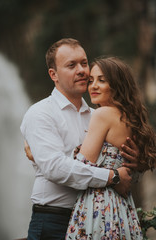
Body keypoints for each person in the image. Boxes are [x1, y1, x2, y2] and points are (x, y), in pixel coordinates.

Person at [20, 38, 144, 240]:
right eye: (71, 65)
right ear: (54, 74)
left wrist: (133, 166)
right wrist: (112, 177)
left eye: (84, 63)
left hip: (101, 218)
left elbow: (127, 176)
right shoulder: (41, 113)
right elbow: (56, 169)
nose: (82, 71)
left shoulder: (100, 116)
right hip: (54, 220)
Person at [65, 57, 156, 239]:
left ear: (117, 85)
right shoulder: (131, 119)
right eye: (91, 81)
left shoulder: (102, 114)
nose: (93, 86)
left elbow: (80, 166)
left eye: (102, 80)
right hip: (122, 208)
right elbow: (135, 170)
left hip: (99, 206)